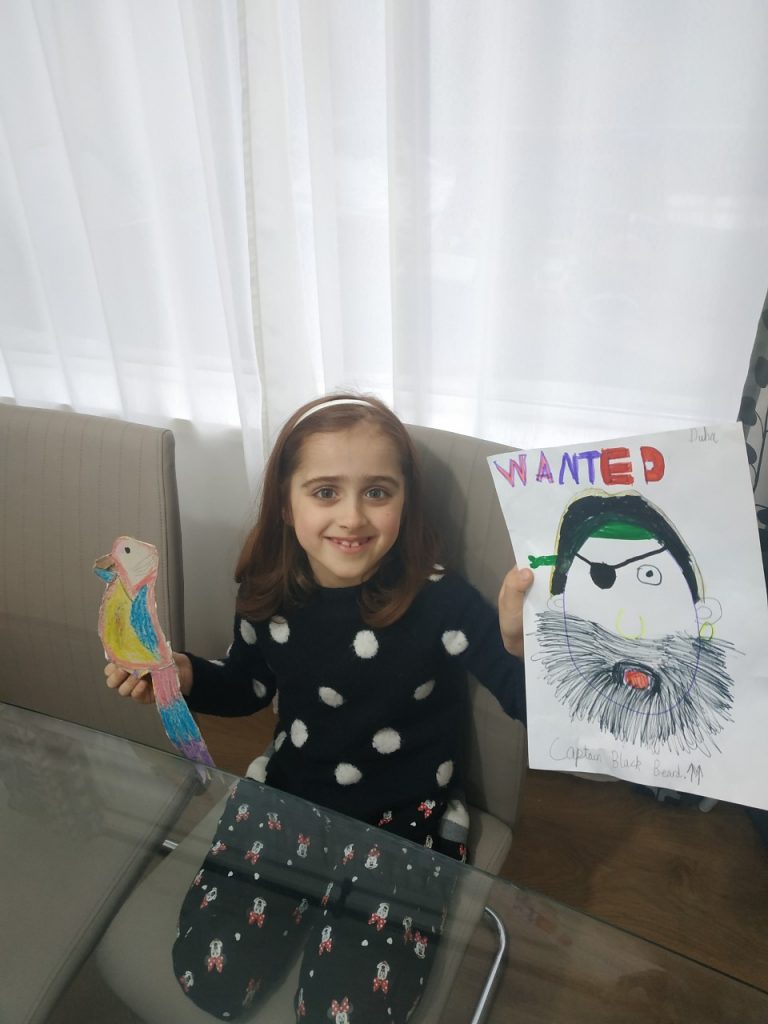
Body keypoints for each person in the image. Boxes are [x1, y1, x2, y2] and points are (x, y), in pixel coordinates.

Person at [105, 393, 532, 1023]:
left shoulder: (443, 603)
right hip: (290, 797)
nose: (352, 517)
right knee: (210, 978)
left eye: (377, 492)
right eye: (325, 492)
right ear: (287, 502)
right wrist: (187, 674)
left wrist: (525, 652)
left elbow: (529, 706)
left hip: (401, 821)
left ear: (406, 500)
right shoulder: (265, 591)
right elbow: (247, 686)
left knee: (346, 1014)